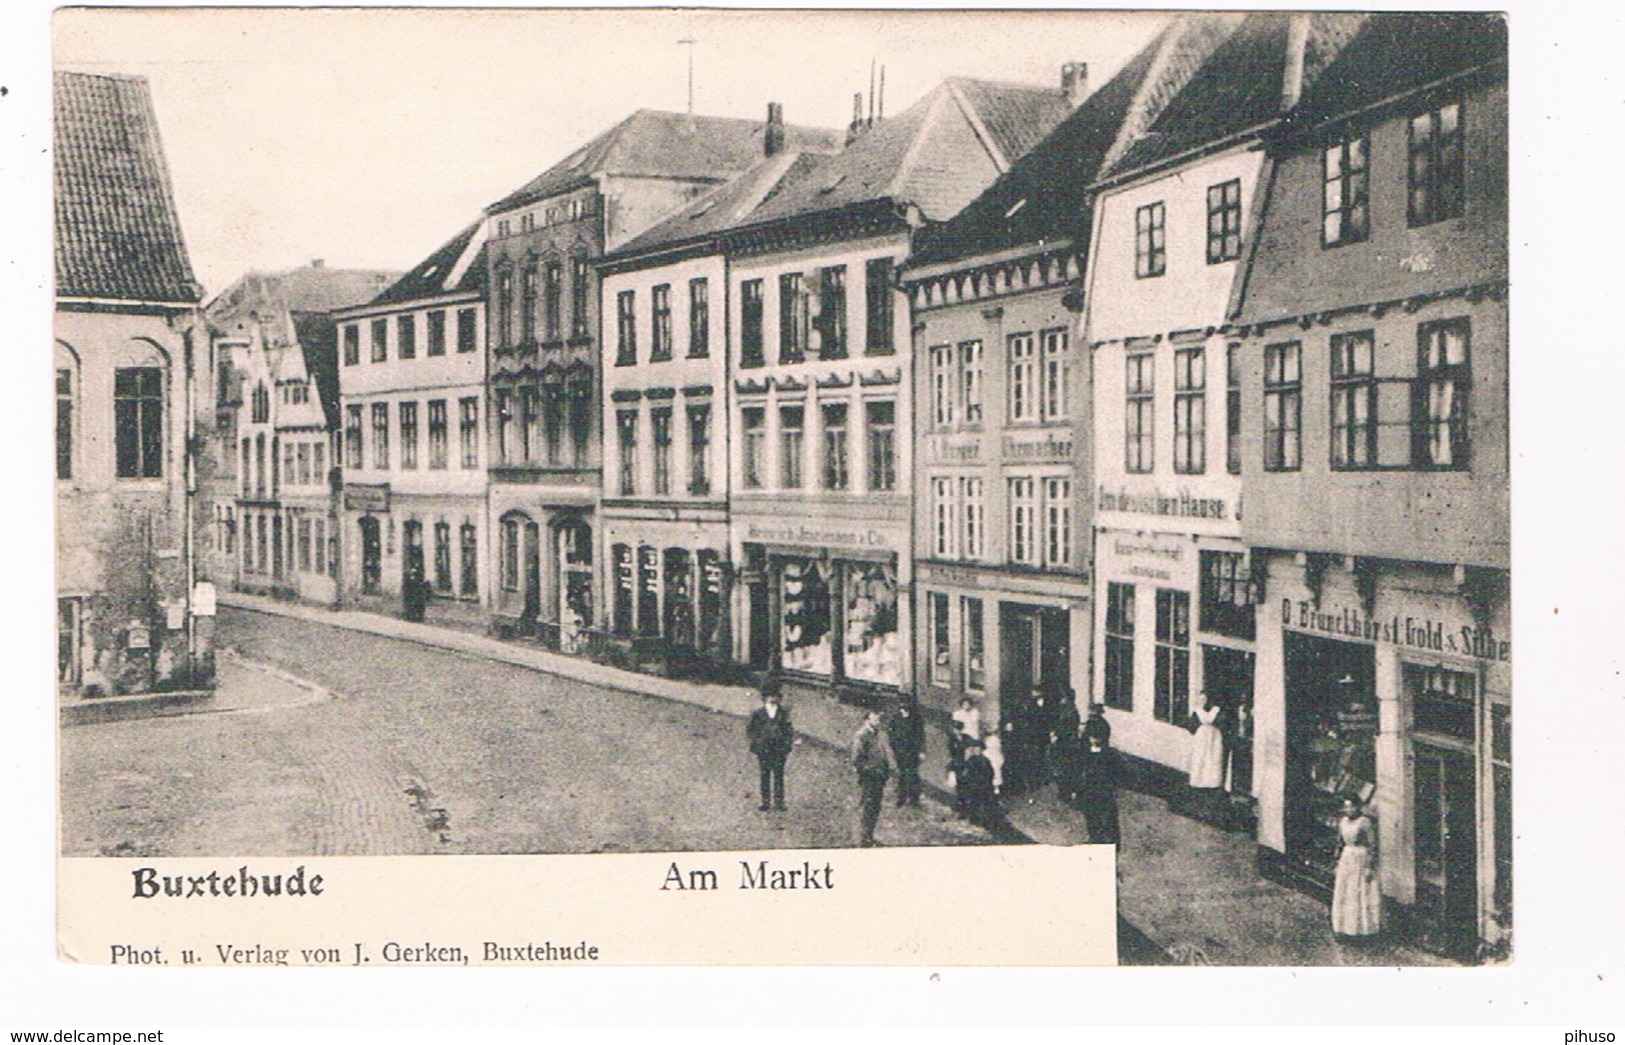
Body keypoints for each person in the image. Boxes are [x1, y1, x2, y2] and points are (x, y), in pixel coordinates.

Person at [1331, 796, 1381, 941]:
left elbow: (1373, 845)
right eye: (1346, 807)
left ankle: (1362, 930)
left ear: (1358, 807)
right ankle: (1345, 928)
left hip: (1360, 858)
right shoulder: (1343, 822)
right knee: (1346, 891)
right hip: (1347, 858)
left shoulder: (1364, 822)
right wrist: (1336, 861)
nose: (1349, 810)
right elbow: (1339, 843)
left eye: (1352, 806)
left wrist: (1369, 867)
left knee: (1359, 892)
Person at [849, 708, 897, 847]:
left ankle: (869, 836)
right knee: (867, 807)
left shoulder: (879, 734)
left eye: (878, 719)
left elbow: (884, 754)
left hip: (879, 777)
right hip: (869, 778)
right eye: (874, 719)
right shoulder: (862, 735)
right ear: (867, 720)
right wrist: (867, 773)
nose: (877, 721)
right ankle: (864, 839)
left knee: (875, 807)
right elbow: (857, 759)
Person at [745, 678, 794, 811]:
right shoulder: (758, 713)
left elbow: (788, 730)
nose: (773, 699)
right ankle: (765, 802)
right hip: (764, 748)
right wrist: (755, 743)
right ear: (765, 698)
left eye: (776, 696)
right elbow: (751, 730)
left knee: (779, 774)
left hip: (779, 748)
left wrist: (788, 744)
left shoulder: (783, 713)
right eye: (770, 696)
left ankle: (779, 801)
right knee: (765, 774)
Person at [1077, 732, 1121, 845]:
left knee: (1109, 817)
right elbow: (1080, 771)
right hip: (1089, 790)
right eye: (1093, 736)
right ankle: (1095, 837)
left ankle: (1112, 841)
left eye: (1098, 736)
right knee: (1091, 815)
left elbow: (1119, 773)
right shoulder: (1085, 753)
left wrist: (1113, 785)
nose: (1095, 739)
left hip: (1104, 790)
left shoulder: (1111, 754)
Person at [888, 698, 926, 807]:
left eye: (906, 708)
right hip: (900, 752)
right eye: (902, 707)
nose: (904, 710)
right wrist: (894, 747)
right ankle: (902, 797)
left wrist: (922, 751)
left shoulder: (917, 719)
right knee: (902, 774)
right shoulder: (896, 718)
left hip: (913, 752)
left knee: (913, 774)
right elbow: (891, 733)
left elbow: (921, 736)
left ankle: (914, 799)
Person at [956, 737, 998, 829]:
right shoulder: (973, 759)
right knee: (975, 803)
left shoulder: (983, 761)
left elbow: (989, 774)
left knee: (979, 804)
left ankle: (980, 821)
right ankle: (976, 820)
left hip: (980, 785)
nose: (975, 750)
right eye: (974, 749)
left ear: (981, 750)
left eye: (977, 749)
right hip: (975, 785)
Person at [1052, 692, 1084, 806]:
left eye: (1062, 698)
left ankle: (1067, 793)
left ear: (1067, 699)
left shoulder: (1071, 712)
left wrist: (1057, 736)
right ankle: (1065, 792)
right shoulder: (1067, 710)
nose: (1061, 700)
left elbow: (1067, 729)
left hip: (1067, 745)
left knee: (1066, 769)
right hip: (1066, 743)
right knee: (1065, 769)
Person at [1188, 696, 1225, 791]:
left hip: (1214, 736)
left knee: (1213, 758)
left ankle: (1213, 782)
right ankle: (1199, 781)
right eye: (1201, 700)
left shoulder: (1216, 711)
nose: (1204, 702)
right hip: (1201, 737)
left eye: (1205, 700)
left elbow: (1223, 722)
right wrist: (1199, 729)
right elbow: (1190, 726)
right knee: (1200, 757)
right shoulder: (1197, 711)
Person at [947, 697, 982, 787]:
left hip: (972, 736)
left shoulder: (975, 712)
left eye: (968, 704)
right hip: (963, 739)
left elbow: (975, 724)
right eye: (964, 704)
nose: (966, 706)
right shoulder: (957, 714)